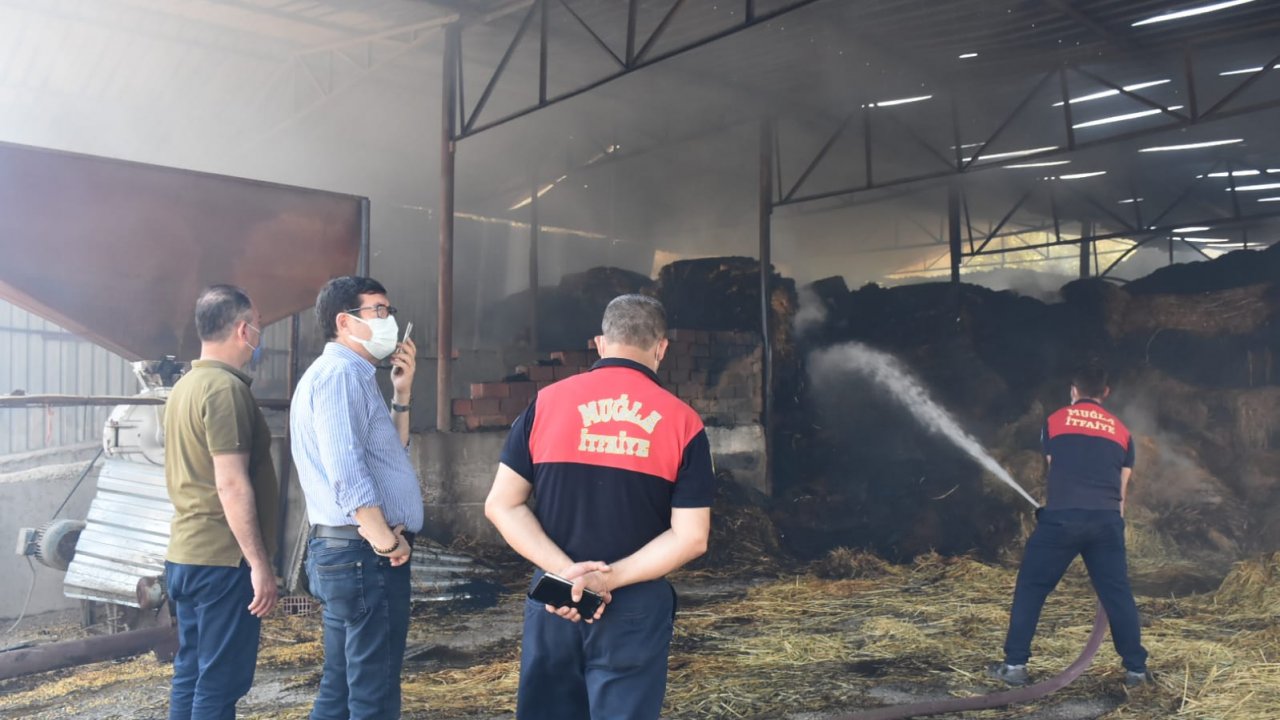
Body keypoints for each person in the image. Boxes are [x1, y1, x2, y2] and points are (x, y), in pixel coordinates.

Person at [485, 294, 715, 720]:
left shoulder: (546, 403)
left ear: (600, 343)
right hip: (632, 606)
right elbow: (692, 536)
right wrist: (604, 581)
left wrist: (568, 576)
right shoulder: (684, 423)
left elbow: (502, 505)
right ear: (661, 348)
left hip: (554, 600)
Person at [290, 275, 423, 720]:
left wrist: (401, 394)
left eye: (390, 311)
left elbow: (389, 456)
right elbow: (346, 472)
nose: (389, 320)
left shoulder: (354, 376)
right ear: (345, 322)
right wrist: (385, 541)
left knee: (343, 687)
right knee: (374, 693)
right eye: (379, 311)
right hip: (363, 553)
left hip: (347, 551)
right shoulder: (340, 375)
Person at [989, 365, 1152, 687]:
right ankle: (1136, 671)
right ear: (1106, 393)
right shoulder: (1122, 431)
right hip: (1106, 522)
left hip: (1062, 519)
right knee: (1117, 595)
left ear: (1073, 390)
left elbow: (1054, 468)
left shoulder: (1055, 420)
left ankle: (1015, 667)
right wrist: (1112, 526)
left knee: (1032, 590)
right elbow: (1122, 491)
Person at [164, 284, 280, 720]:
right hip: (222, 561)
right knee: (219, 684)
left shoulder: (184, 387)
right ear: (242, 329)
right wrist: (259, 564)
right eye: (259, 326)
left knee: (192, 673)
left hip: (186, 555)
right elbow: (231, 483)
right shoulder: (224, 390)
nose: (259, 337)